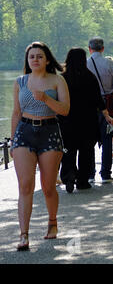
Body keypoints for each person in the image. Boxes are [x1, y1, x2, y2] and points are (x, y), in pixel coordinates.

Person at [10, 42, 70, 251]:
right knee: (25, 185)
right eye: (31, 56)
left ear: (47, 60)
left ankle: (52, 223)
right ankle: (24, 235)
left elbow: (65, 110)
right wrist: (12, 141)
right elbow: (16, 112)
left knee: (47, 186)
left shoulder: (57, 80)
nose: (35, 59)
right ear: (27, 61)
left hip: (49, 131)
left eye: (39, 56)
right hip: (24, 132)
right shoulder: (20, 82)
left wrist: (45, 98)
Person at [58, 48, 113, 193]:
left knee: (68, 151)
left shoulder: (62, 78)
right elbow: (98, 99)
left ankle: (69, 174)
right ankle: (82, 181)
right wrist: (106, 115)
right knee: (86, 152)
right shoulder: (90, 77)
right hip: (88, 121)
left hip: (67, 121)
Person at [87, 37, 113, 184]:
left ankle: (89, 173)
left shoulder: (85, 64)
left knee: (88, 141)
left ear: (89, 49)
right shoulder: (110, 63)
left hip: (89, 106)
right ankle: (106, 174)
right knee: (107, 140)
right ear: (103, 49)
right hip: (107, 104)